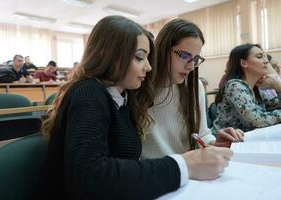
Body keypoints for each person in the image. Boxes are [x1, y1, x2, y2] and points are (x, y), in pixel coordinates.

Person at [39, 16, 233, 200]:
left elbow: (124, 165)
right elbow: (90, 177)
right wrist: (183, 165)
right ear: (109, 56)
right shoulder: (89, 94)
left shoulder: (121, 98)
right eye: (140, 58)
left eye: (148, 57)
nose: (149, 67)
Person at [141, 19, 242, 161]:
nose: (191, 66)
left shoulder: (194, 87)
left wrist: (215, 143)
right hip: (154, 174)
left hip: (191, 171)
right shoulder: (139, 87)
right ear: (162, 50)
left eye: (195, 59)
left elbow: (202, 135)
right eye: (184, 56)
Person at [213, 44, 281, 132]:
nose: (266, 61)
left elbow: (276, 106)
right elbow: (257, 120)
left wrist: (277, 85)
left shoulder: (256, 88)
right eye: (259, 57)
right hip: (225, 143)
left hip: (246, 140)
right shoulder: (235, 85)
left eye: (265, 57)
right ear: (243, 63)